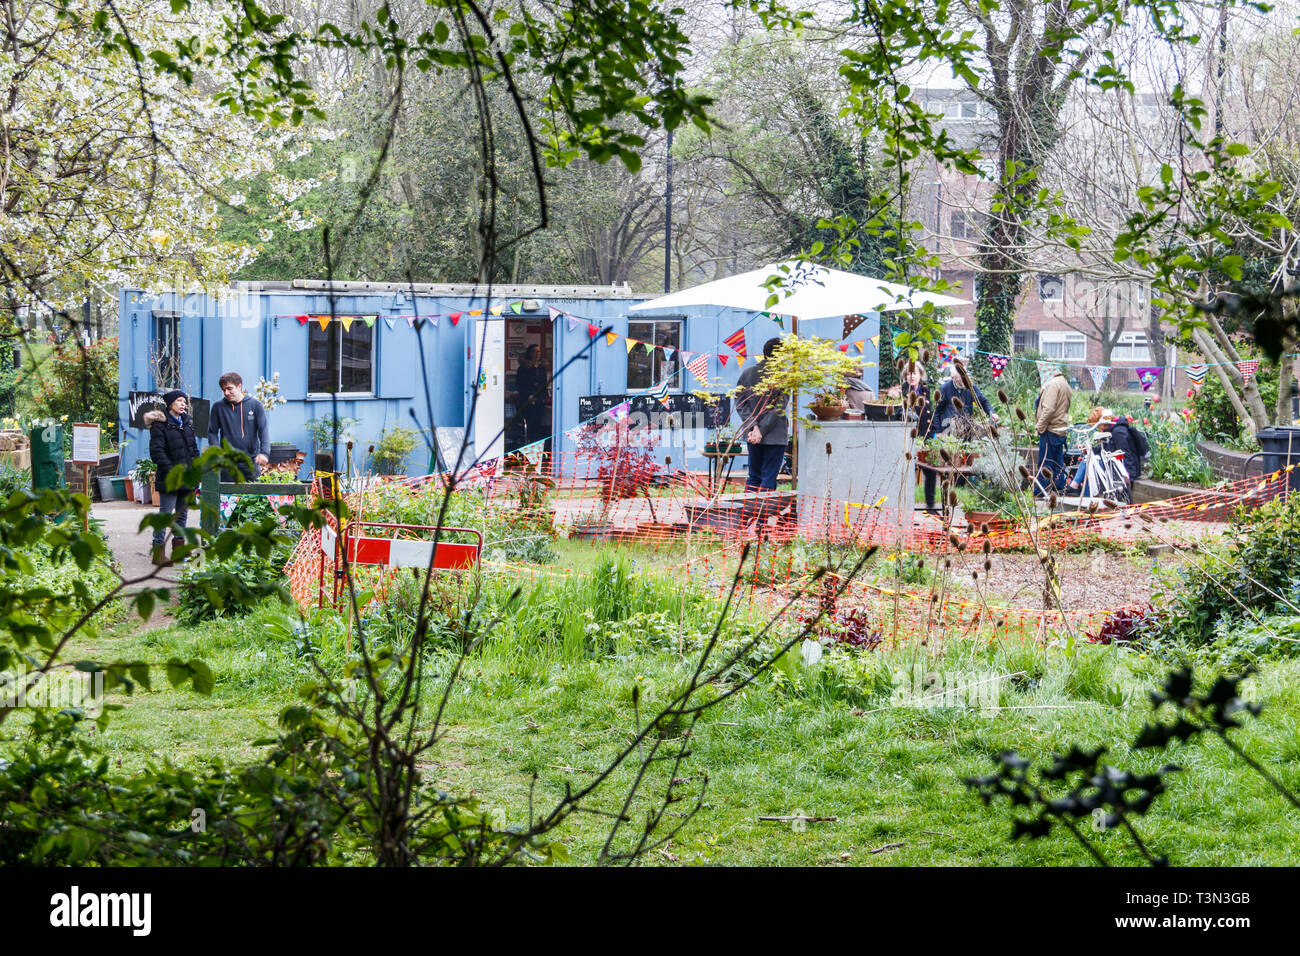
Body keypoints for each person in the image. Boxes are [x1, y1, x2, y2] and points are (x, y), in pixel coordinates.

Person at [145, 390, 199, 564]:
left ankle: (179, 551)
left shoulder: (187, 423)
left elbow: (194, 449)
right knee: (165, 514)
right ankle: (158, 552)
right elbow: (157, 452)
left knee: (182, 515)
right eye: (179, 401)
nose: (183, 404)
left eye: (184, 401)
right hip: (169, 477)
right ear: (170, 404)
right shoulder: (160, 425)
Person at [735, 337, 789, 492]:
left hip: (752, 436)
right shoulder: (784, 377)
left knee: (753, 477)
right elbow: (778, 408)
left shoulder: (748, 373)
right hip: (775, 436)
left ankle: (747, 515)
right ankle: (762, 516)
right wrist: (761, 429)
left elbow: (740, 403)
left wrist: (754, 427)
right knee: (768, 479)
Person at [208, 371, 270, 480]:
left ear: (239, 386)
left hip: (251, 461)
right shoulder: (218, 407)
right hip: (227, 464)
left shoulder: (255, 405)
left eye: (229, 388)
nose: (226, 392)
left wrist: (264, 453)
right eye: (223, 390)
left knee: (252, 496)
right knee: (228, 496)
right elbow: (212, 432)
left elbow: (263, 430)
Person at [1034, 366, 1072, 495]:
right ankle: (1059, 489)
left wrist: (1039, 427)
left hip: (1051, 429)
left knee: (1045, 462)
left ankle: (1040, 491)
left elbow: (1049, 409)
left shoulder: (1053, 385)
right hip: (1060, 428)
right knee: (1057, 462)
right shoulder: (1064, 383)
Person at [932, 363, 993, 435]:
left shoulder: (971, 387)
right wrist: (938, 432)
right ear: (952, 378)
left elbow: (982, 401)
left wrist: (991, 413)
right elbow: (937, 411)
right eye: (960, 381)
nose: (964, 383)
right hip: (948, 431)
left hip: (967, 429)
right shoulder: (945, 389)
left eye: (964, 379)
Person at [513, 345, 550, 446]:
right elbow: (519, 385)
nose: (537, 354)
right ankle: (528, 445)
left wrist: (543, 396)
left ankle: (537, 447)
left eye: (539, 351)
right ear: (529, 353)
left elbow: (544, 384)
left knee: (539, 425)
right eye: (534, 351)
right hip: (527, 401)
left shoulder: (542, 368)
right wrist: (529, 395)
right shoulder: (523, 368)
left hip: (540, 401)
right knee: (530, 425)